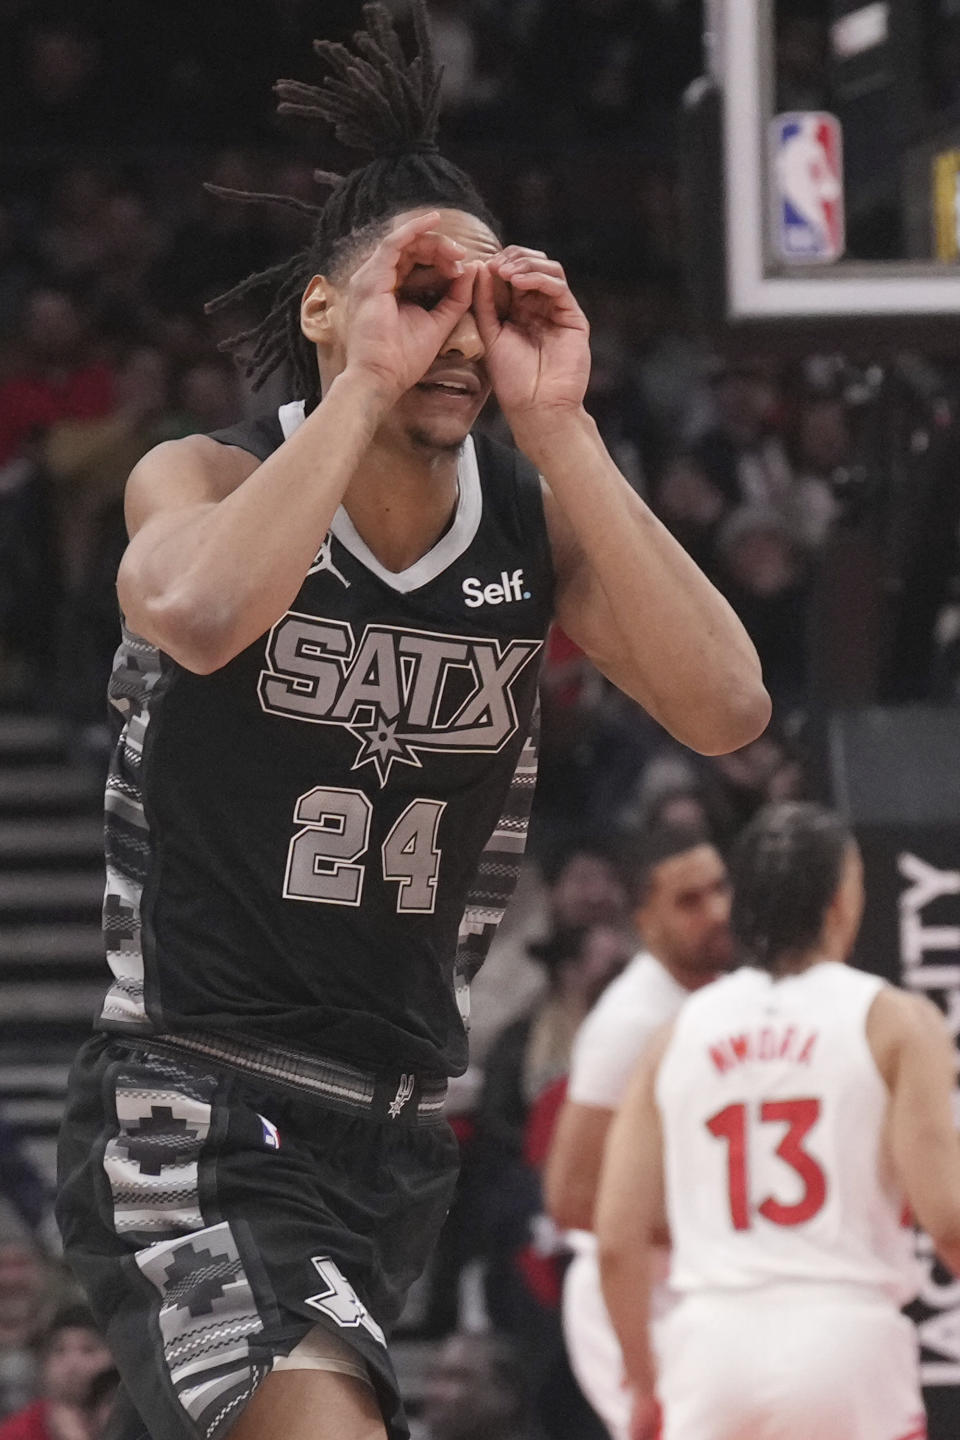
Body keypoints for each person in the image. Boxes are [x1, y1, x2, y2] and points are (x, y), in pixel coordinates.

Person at [54, 7, 769, 1440]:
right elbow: (193, 614)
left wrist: (562, 424)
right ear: (325, 307)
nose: (453, 332)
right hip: (192, 1102)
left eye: (481, 303)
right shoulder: (198, 475)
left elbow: (725, 703)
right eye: (418, 291)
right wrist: (369, 378)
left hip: (388, 1132)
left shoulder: (526, 521)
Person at [596, 801, 960, 1440]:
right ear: (841, 900)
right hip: (844, 1341)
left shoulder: (676, 1033)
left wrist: (646, 1384)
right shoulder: (895, 1020)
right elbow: (950, 1218)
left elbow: (617, 1238)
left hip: (710, 1348)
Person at [544, 825, 732, 1440]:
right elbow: (571, 1199)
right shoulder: (631, 1023)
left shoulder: (728, 995)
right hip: (633, 1298)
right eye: (690, 901)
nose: (717, 912)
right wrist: (726, 1226)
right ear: (643, 918)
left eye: (720, 889)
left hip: (700, 1282)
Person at [0, 1305, 113, 1440]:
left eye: (88, 1349)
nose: (72, 1364)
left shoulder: (135, 1421)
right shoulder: (15, 1433)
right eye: (59, 1350)